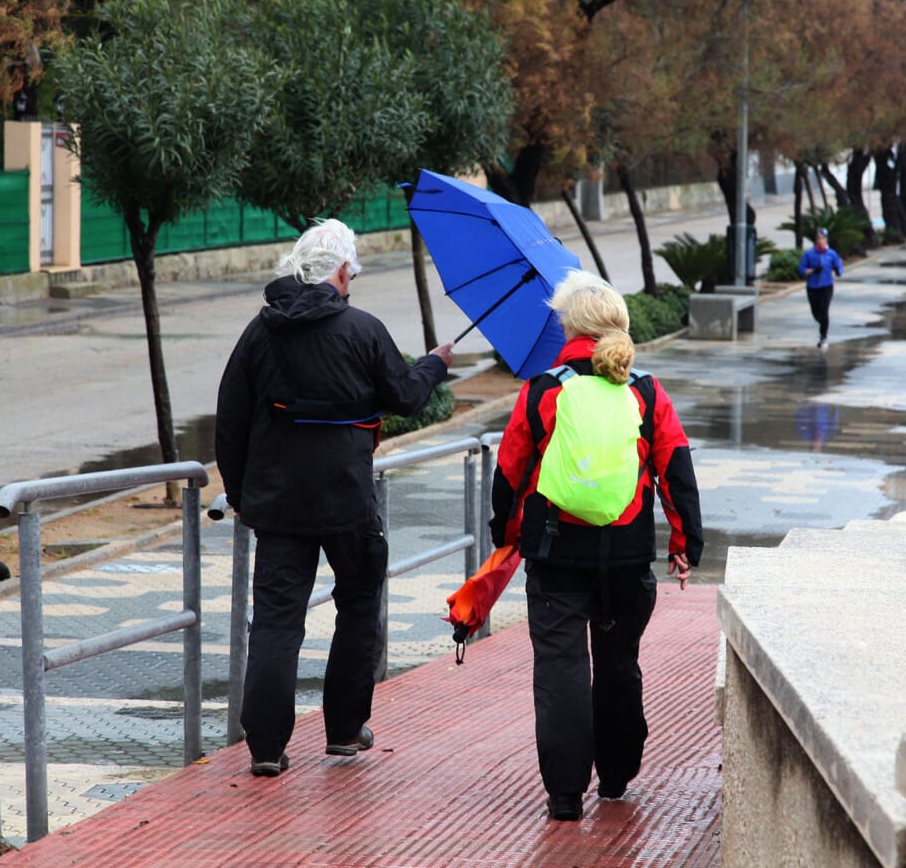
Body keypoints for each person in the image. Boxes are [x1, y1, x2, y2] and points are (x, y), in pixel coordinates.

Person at [215, 219, 454, 777]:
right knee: (359, 605)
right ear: (343, 271)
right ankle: (345, 731)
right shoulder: (362, 330)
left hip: (276, 505)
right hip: (346, 501)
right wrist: (436, 362)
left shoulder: (260, 333)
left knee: (276, 622)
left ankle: (267, 748)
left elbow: (229, 421)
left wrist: (240, 492)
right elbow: (405, 395)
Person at [489, 270, 703, 822]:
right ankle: (615, 776)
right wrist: (684, 542)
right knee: (617, 663)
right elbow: (674, 468)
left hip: (557, 556)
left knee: (560, 669)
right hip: (628, 557)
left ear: (568, 325)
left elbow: (511, 471)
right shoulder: (647, 390)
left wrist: (506, 533)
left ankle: (565, 794)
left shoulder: (543, 390)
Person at [798, 227, 844, 350]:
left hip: (826, 286)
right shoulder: (809, 254)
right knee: (816, 313)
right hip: (812, 287)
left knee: (824, 311)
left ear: (826, 240)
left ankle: (823, 337)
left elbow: (839, 267)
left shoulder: (831, 254)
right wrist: (811, 271)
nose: (820, 241)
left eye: (823, 238)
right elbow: (801, 269)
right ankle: (822, 323)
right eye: (818, 238)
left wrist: (838, 271)